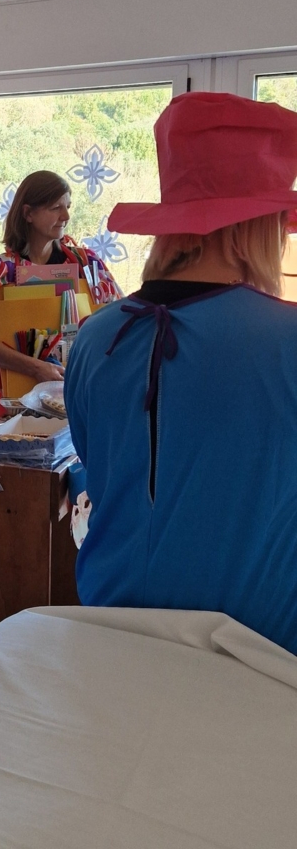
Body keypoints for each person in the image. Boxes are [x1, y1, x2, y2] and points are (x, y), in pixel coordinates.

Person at [64, 91, 297, 656]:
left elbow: (101, 468)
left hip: (111, 635)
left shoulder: (94, 338)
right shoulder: (286, 340)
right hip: (252, 655)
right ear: (258, 226)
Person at [0, 170, 119, 389]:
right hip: (13, 393)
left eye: (68, 206)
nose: (66, 216)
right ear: (28, 213)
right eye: (56, 208)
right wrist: (36, 368)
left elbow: (116, 319)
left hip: (76, 388)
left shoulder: (86, 263)